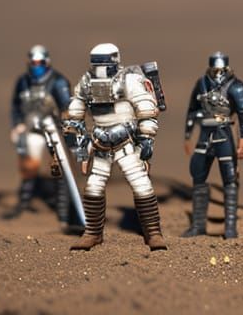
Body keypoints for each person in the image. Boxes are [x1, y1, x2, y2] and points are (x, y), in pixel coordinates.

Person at [66, 43, 167, 251]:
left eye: (103, 63)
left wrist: (146, 138)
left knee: (140, 184)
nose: (100, 69)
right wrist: (78, 138)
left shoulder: (129, 80)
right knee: (94, 186)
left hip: (126, 142)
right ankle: (93, 233)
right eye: (97, 64)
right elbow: (77, 107)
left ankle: (153, 233)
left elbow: (146, 108)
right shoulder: (86, 81)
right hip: (100, 142)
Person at [182, 52, 243, 239]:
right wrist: (188, 136)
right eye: (215, 70)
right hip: (205, 135)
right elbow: (192, 110)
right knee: (198, 175)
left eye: (221, 70)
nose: (217, 73)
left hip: (224, 134)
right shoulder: (202, 84)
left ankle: (230, 227)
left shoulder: (236, 86)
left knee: (230, 178)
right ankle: (198, 225)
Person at [6, 45, 74, 226]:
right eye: (33, 63)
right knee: (28, 167)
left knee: (60, 169)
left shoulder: (58, 82)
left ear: (47, 62)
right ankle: (23, 207)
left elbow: (67, 107)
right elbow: (16, 106)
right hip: (32, 129)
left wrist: (66, 127)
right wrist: (17, 126)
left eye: (40, 62)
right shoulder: (23, 81)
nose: (36, 66)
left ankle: (63, 212)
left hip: (54, 131)